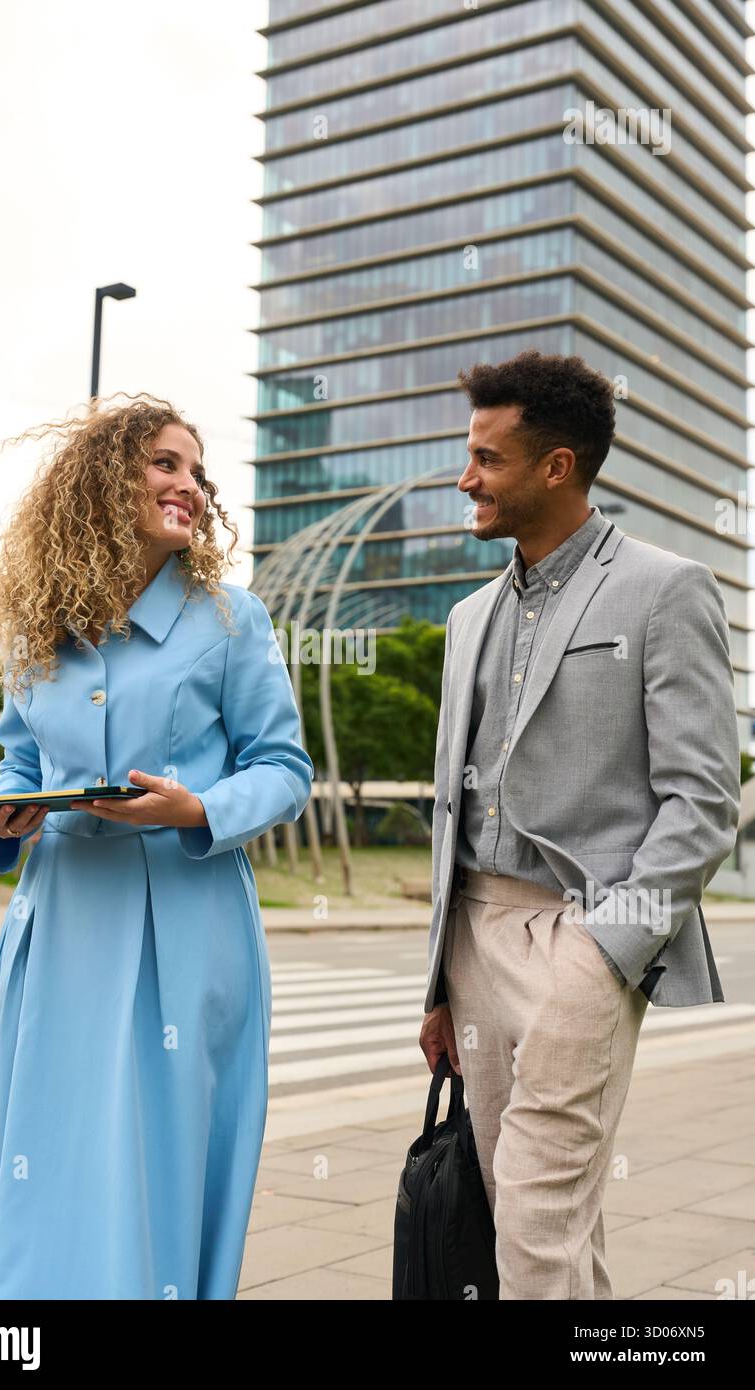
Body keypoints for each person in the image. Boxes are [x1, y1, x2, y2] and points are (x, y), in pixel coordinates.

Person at [0, 392, 314, 1299]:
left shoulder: (233, 618)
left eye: (197, 470)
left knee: (156, 1154)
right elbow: (21, 761)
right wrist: (4, 813)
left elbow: (284, 768)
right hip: (62, 922)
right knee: (47, 1141)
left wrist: (196, 810)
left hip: (185, 924)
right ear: (105, 483)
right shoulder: (36, 630)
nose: (189, 484)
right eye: (166, 463)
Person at [419, 350, 740, 1300]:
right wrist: (439, 984)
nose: (465, 477)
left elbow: (703, 799)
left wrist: (608, 951)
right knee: (537, 1208)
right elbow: (451, 814)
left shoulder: (665, 588)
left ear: (557, 467)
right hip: (474, 936)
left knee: (535, 1204)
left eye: (487, 459)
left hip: (583, 934)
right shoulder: (466, 616)